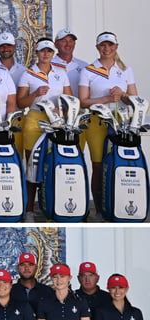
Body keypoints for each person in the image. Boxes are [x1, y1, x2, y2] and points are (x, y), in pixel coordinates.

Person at [78, 32, 138, 217]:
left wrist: (123, 94)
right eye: (103, 45)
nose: (107, 48)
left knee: (119, 164)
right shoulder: (89, 70)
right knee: (98, 165)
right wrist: (106, 98)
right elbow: (83, 101)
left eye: (110, 45)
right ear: (97, 48)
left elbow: (135, 99)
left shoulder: (125, 70)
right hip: (96, 121)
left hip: (120, 121)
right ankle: (99, 208)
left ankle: (117, 204)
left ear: (116, 47)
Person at [17, 38, 72, 219]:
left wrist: (62, 109)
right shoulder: (28, 74)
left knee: (53, 163)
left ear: (53, 53)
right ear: (37, 53)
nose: (46, 54)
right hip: (34, 119)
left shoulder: (61, 73)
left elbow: (69, 98)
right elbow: (20, 102)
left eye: (49, 51)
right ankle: (29, 210)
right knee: (32, 165)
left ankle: (51, 206)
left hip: (56, 120)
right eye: (42, 51)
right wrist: (35, 94)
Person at [52, 29, 87, 97]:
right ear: (56, 45)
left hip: (79, 107)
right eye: (64, 41)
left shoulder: (83, 66)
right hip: (55, 106)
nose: (68, 44)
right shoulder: (48, 65)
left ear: (74, 44)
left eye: (71, 41)